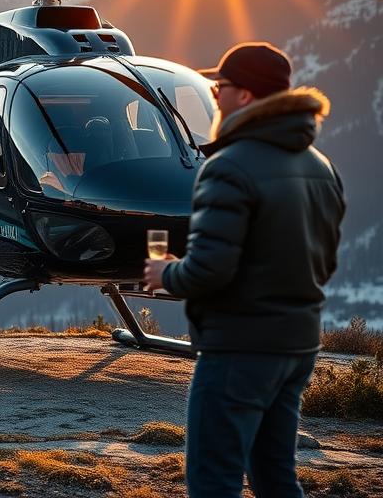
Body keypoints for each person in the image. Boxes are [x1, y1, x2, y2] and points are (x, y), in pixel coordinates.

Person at [143, 41, 344, 498]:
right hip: (297, 344)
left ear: (246, 96)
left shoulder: (228, 166)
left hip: (239, 347)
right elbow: (325, 261)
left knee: (213, 478)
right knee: (275, 476)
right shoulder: (320, 166)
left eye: (220, 88)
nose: (214, 96)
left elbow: (209, 271)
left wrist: (166, 274)